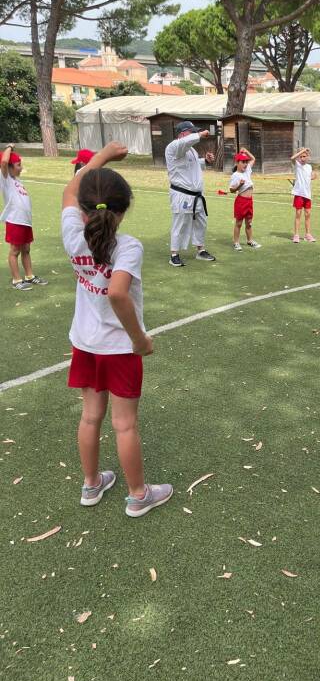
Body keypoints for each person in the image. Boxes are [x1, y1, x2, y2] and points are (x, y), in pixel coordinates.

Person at [61, 141, 173, 517]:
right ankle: (138, 495)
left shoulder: (73, 233)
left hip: (86, 344)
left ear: (84, 208)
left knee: (90, 416)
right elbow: (117, 292)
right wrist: (139, 339)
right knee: (124, 424)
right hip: (119, 349)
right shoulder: (128, 246)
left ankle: (91, 485)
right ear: (123, 210)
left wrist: (103, 156)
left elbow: (70, 189)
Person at [165, 121, 216, 267]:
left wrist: (204, 160)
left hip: (196, 195)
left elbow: (191, 165)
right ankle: (174, 254)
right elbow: (186, 142)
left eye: (195, 132)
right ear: (182, 134)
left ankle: (201, 250)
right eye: (191, 132)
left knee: (201, 222)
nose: (193, 134)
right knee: (180, 224)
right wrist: (199, 135)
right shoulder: (174, 147)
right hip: (181, 194)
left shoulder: (191, 150)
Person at [1, 144, 48, 291]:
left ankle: (29, 276)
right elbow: (3, 162)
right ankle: (16, 280)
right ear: (9, 167)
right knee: (15, 251)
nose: (21, 168)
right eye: (18, 165)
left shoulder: (16, 180)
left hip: (25, 221)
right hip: (15, 220)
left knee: (26, 249)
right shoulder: (5, 179)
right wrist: (9, 147)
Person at [230, 148, 261, 251]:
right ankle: (236, 242)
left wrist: (246, 151)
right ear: (237, 162)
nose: (246, 164)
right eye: (243, 162)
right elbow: (232, 190)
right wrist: (240, 185)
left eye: (246, 162)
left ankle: (250, 240)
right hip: (241, 201)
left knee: (249, 223)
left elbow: (253, 159)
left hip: (249, 201)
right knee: (239, 223)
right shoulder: (235, 175)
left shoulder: (247, 170)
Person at [290, 147, 317, 243]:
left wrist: (313, 176)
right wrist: (302, 150)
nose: (302, 158)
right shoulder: (297, 164)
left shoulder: (309, 167)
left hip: (307, 194)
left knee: (308, 214)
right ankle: (296, 235)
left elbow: (311, 176)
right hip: (299, 194)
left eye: (304, 156)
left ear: (308, 157)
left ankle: (308, 234)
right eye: (300, 156)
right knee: (298, 214)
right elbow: (292, 158)